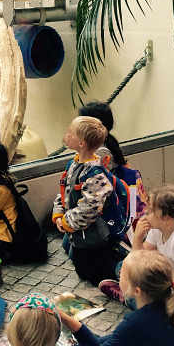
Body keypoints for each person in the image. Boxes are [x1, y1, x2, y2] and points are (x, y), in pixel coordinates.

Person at [100, 187, 174, 313]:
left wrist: (154, 279)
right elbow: (138, 260)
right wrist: (137, 240)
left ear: (166, 218)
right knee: (121, 267)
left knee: (159, 304)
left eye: (151, 210)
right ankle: (132, 295)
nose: (145, 212)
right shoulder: (157, 230)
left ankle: (128, 298)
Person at [52, 116, 122, 285]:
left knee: (93, 274)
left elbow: (89, 209)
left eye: (70, 132)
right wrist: (58, 213)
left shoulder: (95, 175)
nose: (66, 134)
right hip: (78, 232)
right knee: (79, 263)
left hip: (94, 238)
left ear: (82, 143)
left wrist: (66, 222)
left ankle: (120, 274)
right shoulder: (74, 163)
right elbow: (65, 192)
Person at [79, 100, 147, 219]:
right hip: (121, 188)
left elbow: (98, 183)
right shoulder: (107, 140)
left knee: (127, 220)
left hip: (116, 194)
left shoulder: (100, 151)